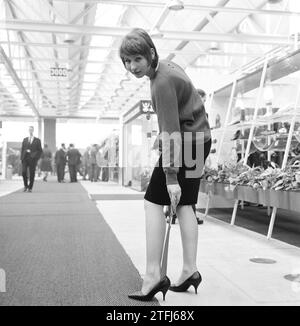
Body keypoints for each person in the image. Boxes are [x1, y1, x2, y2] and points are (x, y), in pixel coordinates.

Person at [119, 28, 211, 301]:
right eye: (126, 61)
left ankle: (153, 276)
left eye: (136, 59)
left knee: (151, 201)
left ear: (150, 53)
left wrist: (171, 176)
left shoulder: (160, 81)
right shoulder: (169, 67)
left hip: (186, 143)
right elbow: (183, 113)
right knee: (186, 204)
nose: (131, 67)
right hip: (200, 139)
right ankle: (189, 271)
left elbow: (171, 131)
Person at [20, 126, 43, 192]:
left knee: (32, 173)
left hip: (32, 159)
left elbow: (40, 151)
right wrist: (21, 158)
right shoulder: (25, 139)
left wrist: (36, 157)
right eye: (29, 129)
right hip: (25, 158)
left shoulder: (37, 140)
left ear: (33, 130)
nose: (30, 131)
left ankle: (30, 188)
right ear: (28, 130)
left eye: (31, 130)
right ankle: (25, 185)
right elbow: (22, 149)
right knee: (23, 172)